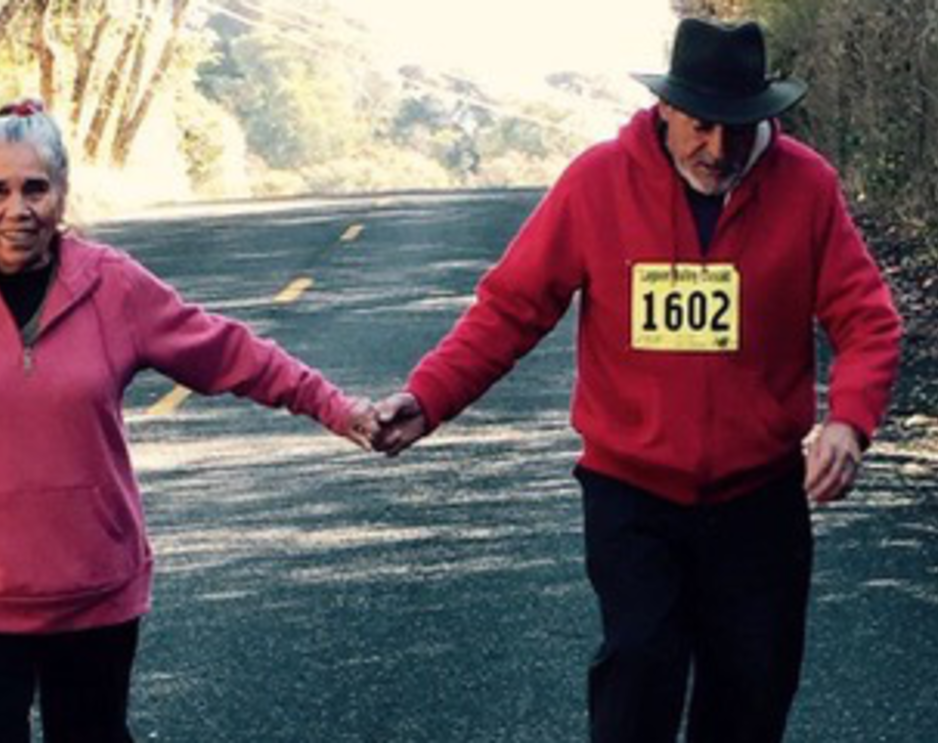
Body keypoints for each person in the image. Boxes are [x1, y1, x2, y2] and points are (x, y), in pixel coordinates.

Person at [372, 18, 901, 743]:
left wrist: (849, 420)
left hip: (759, 499)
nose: (719, 148)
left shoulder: (806, 186)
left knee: (752, 692)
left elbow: (867, 318)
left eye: (741, 127)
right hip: (633, 494)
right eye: (703, 125)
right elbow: (511, 310)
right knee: (640, 671)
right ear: (666, 110)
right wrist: (428, 396)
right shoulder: (597, 182)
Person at [0, 99, 377, 743]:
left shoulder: (113, 287)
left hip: (93, 584)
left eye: (35, 189)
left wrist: (336, 407)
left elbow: (230, 352)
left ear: (62, 196)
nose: (17, 209)